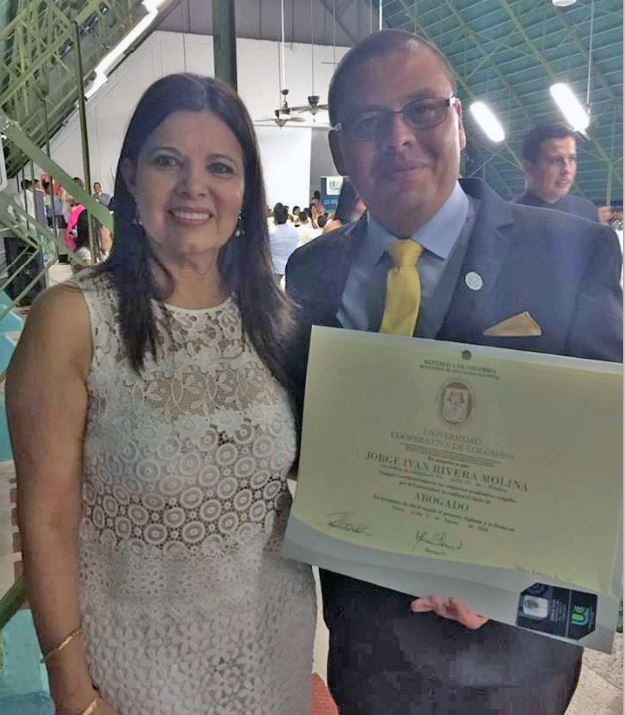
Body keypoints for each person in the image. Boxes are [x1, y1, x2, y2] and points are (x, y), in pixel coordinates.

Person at [285, 29, 622, 715]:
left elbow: (605, 453)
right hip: (369, 643)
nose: (399, 138)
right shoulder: (313, 273)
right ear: (341, 150)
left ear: (459, 122)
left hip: (513, 659)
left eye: (422, 110)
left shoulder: (569, 253)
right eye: (369, 122)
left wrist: (517, 581)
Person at [7, 72, 316, 715]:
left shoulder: (280, 322)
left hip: (273, 647)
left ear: (245, 191)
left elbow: (313, 477)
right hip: (137, 662)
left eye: (220, 167)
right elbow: (47, 516)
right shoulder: (74, 321)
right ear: (129, 176)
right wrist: (73, 691)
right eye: (167, 161)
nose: (193, 187)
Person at [515, 123, 599, 222]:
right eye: (557, 160)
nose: (567, 169)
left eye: (572, 159)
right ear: (528, 167)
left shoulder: (587, 211)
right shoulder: (510, 217)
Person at [269, 202, 299, 282]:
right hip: (291, 268)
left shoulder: (270, 232)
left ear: (274, 217)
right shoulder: (295, 231)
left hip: (275, 269)